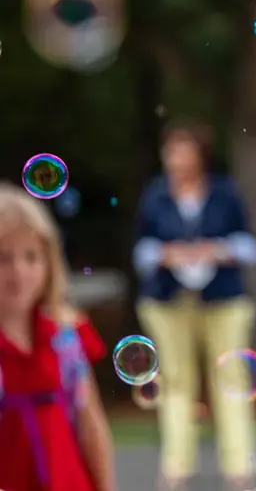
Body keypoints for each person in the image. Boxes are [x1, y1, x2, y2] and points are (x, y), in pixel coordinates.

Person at [133, 121, 256, 490]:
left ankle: (239, 469)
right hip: (167, 301)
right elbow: (141, 251)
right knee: (174, 383)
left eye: (183, 148)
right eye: (171, 149)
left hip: (223, 299)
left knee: (232, 379)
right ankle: (175, 469)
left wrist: (216, 250)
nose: (176, 157)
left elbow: (248, 246)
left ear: (200, 154)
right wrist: (166, 254)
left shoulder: (224, 193)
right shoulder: (154, 195)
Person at [0, 182, 115, 491]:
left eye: (31, 257)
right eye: (3, 258)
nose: (18, 272)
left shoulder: (66, 336)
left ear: (50, 263)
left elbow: (92, 425)